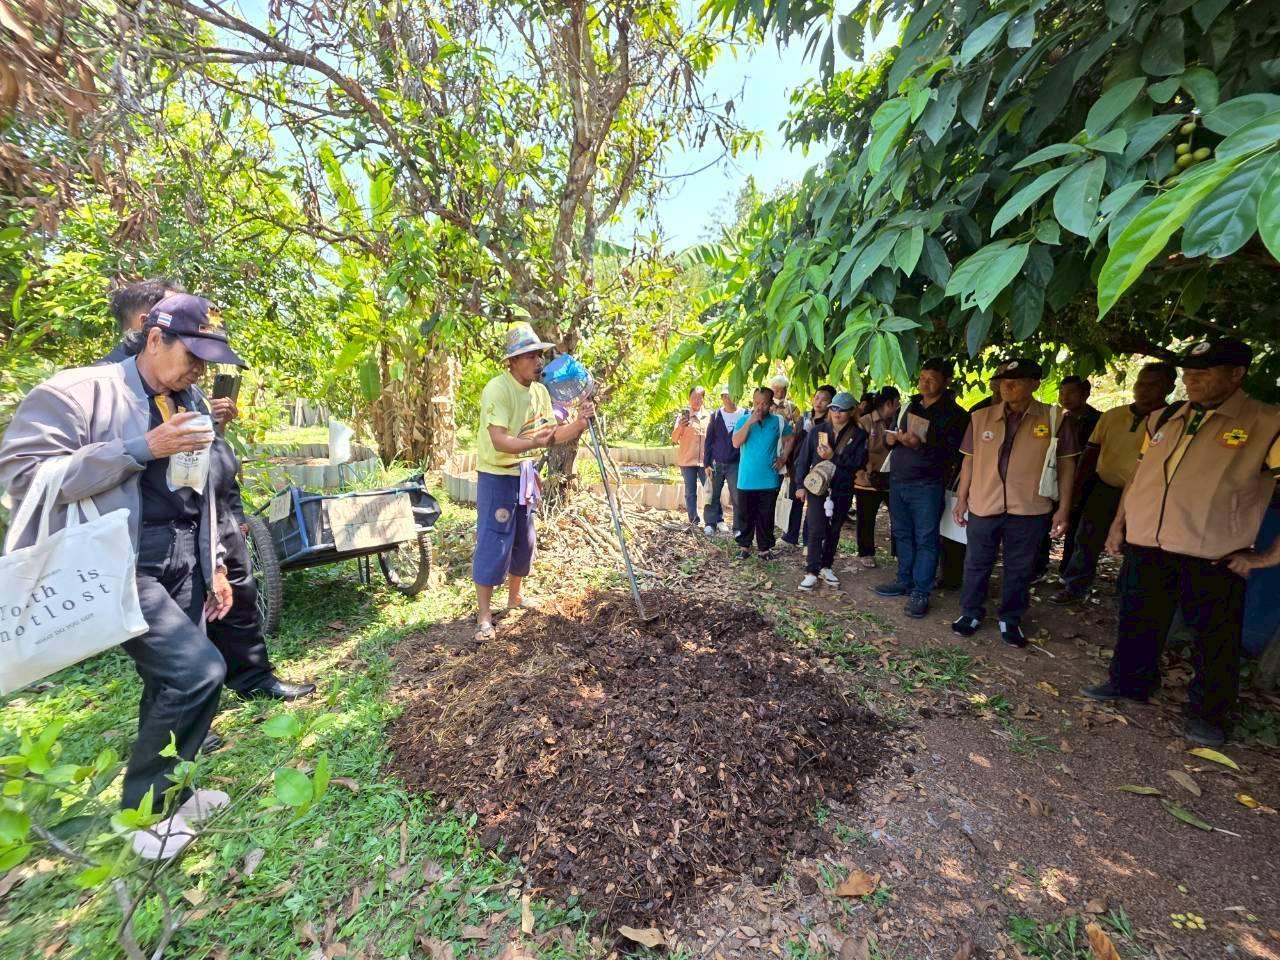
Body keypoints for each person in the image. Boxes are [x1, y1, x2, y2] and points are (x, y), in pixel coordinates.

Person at [0, 293, 244, 860]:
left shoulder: (190, 398)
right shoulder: (81, 392)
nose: (200, 370)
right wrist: (139, 448)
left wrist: (214, 563)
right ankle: (144, 814)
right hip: (119, 559)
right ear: (153, 337)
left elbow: (197, 488)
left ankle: (174, 796)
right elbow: (24, 476)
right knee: (199, 671)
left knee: (168, 681)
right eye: (193, 354)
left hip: (182, 552)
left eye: (208, 361)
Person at [102, 281, 315, 703]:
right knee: (181, 621)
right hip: (160, 530)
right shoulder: (109, 388)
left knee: (237, 592)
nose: (197, 367)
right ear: (150, 328)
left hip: (213, 508)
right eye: (192, 356)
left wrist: (216, 424)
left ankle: (253, 678)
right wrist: (150, 445)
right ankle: (186, 712)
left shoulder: (183, 384)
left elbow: (199, 454)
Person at [1084, 338, 1280, 747]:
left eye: (1204, 371)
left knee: (1215, 640)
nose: (1191, 378)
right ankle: (1129, 683)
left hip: (1212, 554)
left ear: (1237, 374)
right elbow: (1141, 477)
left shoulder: (1267, 422)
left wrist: (1268, 556)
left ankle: (1208, 714)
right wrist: (1119, 524)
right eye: (1189, 371)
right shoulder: (1166, 416)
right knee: (1137, 619)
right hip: (1148, 543)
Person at [473, 323, 593, 640]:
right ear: (512, 361)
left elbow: (553, 436)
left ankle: (514, 598)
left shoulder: (540, 392)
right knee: (493, 539)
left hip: (525, 474)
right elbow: (500, 441)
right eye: (528, 356)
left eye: (539, 355)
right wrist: (533, 443)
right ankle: (484, 616)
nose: (537, 361)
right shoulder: (497, 390)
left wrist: (580, 422)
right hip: (498, 474)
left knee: (523, 540)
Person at [950, 358, 1079, 646]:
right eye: (1002, 381)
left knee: (1020, 567)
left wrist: (1064, 509)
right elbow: (968, 463)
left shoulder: (1055, 418)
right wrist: (961, 500)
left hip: (1030, 507)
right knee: (976, 562)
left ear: (1034, 384)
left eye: (1016, 381)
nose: (1006, 386)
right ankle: (970, 612)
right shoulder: (980, 418)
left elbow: (1068, 467)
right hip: (984, 503)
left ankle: (1011, 618)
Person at [1049, 362, 1176, 605]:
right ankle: (1075, 587)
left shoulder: (1171, 422)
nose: (1144, 389)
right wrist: (1075, 490)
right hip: (1105, 488)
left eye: (1153, 385)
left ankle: (1126, 594)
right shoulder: (1113, 416)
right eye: (1141, 383)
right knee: (1086, 538)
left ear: (1168, 388)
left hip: (1147, 496)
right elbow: (1090, 454)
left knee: (1136, 546)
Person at [874, 360, 970, 618]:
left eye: (931, 378)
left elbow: (953, 454)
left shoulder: (956, 415)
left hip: (928, 484)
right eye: (922, 377)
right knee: (902, 533)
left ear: (946, 380)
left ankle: (921, 590)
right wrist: (891, 438)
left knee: (926, 538)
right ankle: (904, 578)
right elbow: (890, 436)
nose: (924, 382)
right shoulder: (910, 404)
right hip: (899, 480)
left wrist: (919, 445)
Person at [793, 392, 868, 591]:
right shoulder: (818, 431)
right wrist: (800, 485)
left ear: (851, 412)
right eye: (834, 408)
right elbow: (803, 460)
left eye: (842, 409)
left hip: (842, 488)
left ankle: (827, 566)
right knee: (816, 529)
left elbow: (858, 463)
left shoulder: (859, 435)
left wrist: (833, 456)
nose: (837, 413)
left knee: (834, 529)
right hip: (818, 488)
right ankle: (811, 571)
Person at [1034, 374, 1104, 579]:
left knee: (1079, 532)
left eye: (1071, 392)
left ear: (1085, 393)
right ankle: (1038, 568)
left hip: (1086, 484)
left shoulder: (1098, 421)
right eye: (1061, 393)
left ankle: (1069, 576)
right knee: (1043, 523)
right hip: (1052, 481)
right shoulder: (1054, 419)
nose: (1065, 398)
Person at [732, 386, 793, 560]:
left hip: (769, 478)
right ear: (752, 402)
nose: (760, 407)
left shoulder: (778, 421)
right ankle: (744, 546)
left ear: (771, 404)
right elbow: (736, 443)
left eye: (764, 404)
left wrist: (783, 458)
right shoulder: (743, 420)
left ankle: (765, 549)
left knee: (766, 515)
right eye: (757, 403)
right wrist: (750, 422)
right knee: (745, 514)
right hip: (746, 478)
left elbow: (790, 439)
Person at [853, 387, 900, 569]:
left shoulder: (897, 422)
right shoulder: (865, 422)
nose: (898, 407)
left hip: (892, 477)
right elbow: (858, 450)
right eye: (897, 403)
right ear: (888, 403)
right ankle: (866, 553)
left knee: (898, 516)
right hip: (867, 479)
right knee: (866, 517)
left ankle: (898, 552)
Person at [772, 374, 808, 548]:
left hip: (790, 458)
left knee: (792, 497)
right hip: (769, 457)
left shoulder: (793, 408)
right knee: (768, 495)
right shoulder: (765, 406)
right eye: (776, 389)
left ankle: (790, 536)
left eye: (782, 390)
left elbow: (798, 432)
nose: (779, 393)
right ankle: (766, 531)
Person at [702, 386, 741, 536]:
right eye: (725, 396)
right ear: (722, 398)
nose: (728, 399)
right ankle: (710, 523)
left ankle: (738, 527)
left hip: (736, 464)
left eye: (731, 396)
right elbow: (709, 440)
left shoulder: (743, 414)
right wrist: (706, 463)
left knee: (737, 495)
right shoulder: (716, 415)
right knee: (712, 494)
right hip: (717, 462)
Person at [671, 386, 711, 529]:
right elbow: (674, 439)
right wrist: (680, 427)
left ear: (703, 399)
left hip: (705, 462)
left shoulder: (709, 417)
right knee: (690, 492)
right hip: (687, 461)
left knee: (709, 490)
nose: (696, 400)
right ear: (689, 399)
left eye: (700, 397)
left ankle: (711, 522)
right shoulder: (682, 417)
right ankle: (693, 520)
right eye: (694, 397)